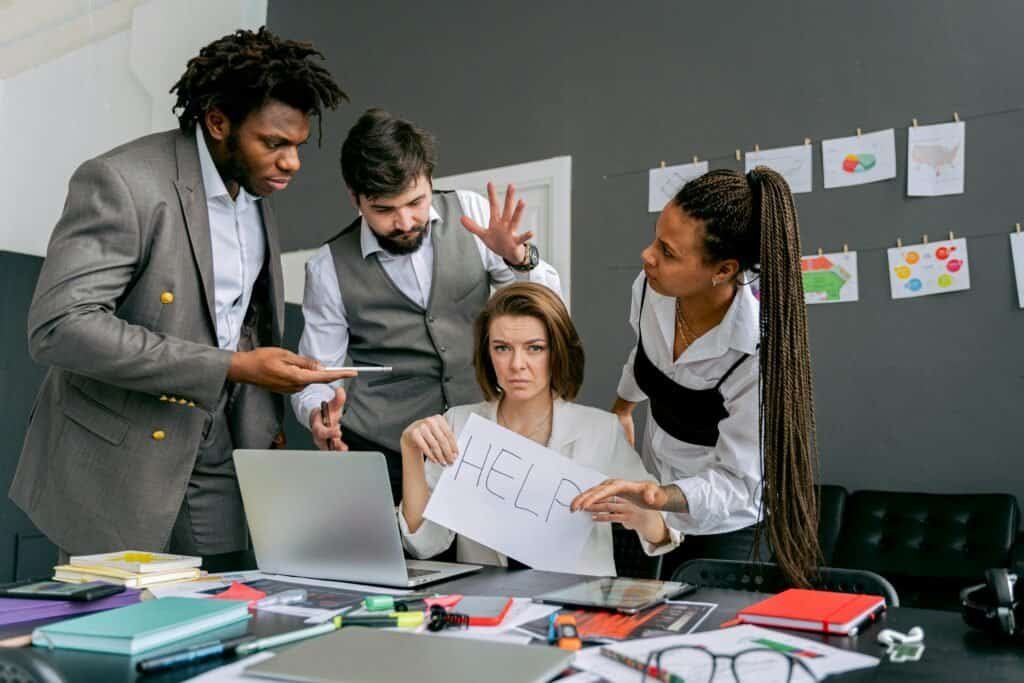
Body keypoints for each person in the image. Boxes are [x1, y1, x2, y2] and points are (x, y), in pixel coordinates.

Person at [9, 28, 352, 558]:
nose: (292, 163)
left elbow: (239, 320)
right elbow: (60, 327)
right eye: (274, 144)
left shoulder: (254, 189)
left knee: (223, 598)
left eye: (297, 146)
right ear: (218, 122)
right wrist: (232, 367)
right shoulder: (123, 181)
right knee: (119, 608)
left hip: (219, 450)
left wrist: (279, 408)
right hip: (119, 459)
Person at [291, 109, 562, 503]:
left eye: (416, 202)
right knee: (394, 545)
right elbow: (318, 374)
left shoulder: (472, 214)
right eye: (384, 209)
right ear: (355, 198)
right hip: (383, 451)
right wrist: (319, 415)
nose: (404, 221)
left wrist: (518, 259)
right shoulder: (327, 267)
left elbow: (549, 313)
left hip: (483, 440)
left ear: (430, 180)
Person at [570, 168, 821, 586]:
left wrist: (660, 496)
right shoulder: (651, 289)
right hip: (658, 499)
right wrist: (622, 409)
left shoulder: (754, 355)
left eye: (668, 252)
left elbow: (738, 483)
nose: (647, 255)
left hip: (728, 524)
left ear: (722, 270)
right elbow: (645, 355)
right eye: (655, 239)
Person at [398, 283, 681, 576]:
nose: (517, 364)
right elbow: (424, 545)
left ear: (557, 353)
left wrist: (645, 520)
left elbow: (665, 531)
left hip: (579, 599)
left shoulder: (601, 431)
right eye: (502, 348)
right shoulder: (459, 424)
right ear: (487, 354)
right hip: (488, 600)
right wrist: (411, 450)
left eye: (534, 348)